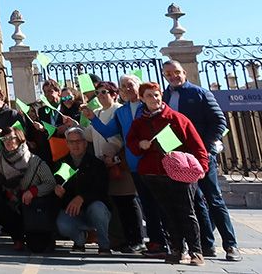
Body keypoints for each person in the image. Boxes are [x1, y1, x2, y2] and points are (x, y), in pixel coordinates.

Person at [162, 60, 240, 262]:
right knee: (196, 202)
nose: (173, 76)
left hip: (202, 156)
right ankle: (207, 245)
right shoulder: (166, 95)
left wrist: (202, 148)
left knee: (213, 199)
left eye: (176, 72)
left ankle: (231, 245)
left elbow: (219, 122)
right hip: (182, 160)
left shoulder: (200, 93)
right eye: (168, 74)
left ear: (184, 72)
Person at [127, 81, 209, 266]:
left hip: (180, 173)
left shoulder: (177, 119)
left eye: (156, 94)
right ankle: (177, 250)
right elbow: (131, 142)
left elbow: (197, 146)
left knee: (186, 212)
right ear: (142, 99)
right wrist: (140, 145)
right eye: (149, 95)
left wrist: (202, 167)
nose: (154, 98)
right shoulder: (139, 123)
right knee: (168, 213)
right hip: (153, 174)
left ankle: (196, 251)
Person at [84, 73, 165, 254]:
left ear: (139, 86)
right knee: (143, 203)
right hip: (134, 163)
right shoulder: (122, 112)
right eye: (124, 86)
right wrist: (92, 118)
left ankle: (163, 241)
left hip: (154, 162)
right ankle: (147, 241)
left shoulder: (148, 106)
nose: (127, 89)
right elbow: (108, 131)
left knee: (154, 203)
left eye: (131, 85)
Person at [82, 79, 145, 253]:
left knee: (129, 200)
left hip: (121, 163)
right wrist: (84, 122)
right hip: (103, 164)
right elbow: (98, 132)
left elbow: (120, 137)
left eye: (104, 92)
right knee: (118, 203)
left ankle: (138, 238)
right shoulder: (97, 112)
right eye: (98, 93)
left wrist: (116, 157)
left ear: (114, 94)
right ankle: (124, 239)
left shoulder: (118, 110)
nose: (100, 95)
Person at [0, 127, 57, 252]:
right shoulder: (0, 160)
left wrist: (33, 192)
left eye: (11, 138)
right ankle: (17, 238)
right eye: (4, 139)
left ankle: (42, 235)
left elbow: (50, 183)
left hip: (33, 207)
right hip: (13, 204)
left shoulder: (35, 161)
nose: (7, 142)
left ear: (19, 139)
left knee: (37, 247)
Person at [54, 126, 112, 254]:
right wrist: (58, 191)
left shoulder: (97, 164)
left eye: (78, 141)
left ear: (85, 143)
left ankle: (104, 245)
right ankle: (79, 241)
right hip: (72, 211)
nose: (75, 145)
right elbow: (57, 185)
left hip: (93, 210)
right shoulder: (61, 164)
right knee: (62, 223)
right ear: (67, 144)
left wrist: (82, 197)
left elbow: (101, 190)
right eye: (71, 142)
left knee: (99, 208)